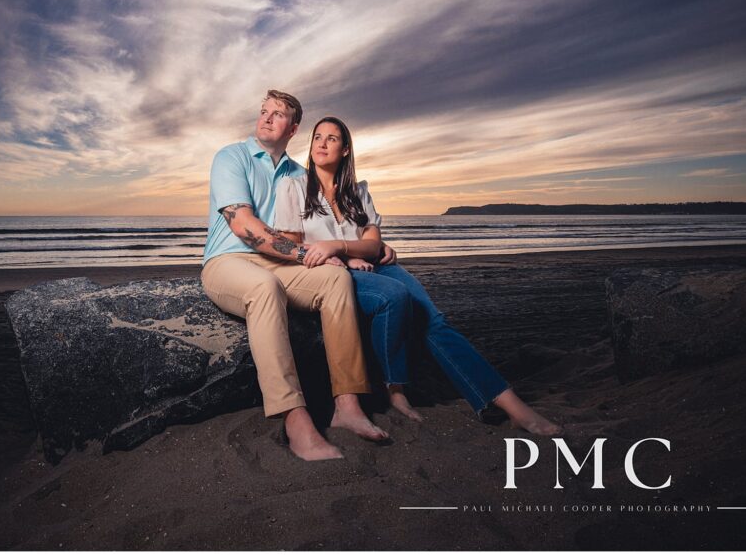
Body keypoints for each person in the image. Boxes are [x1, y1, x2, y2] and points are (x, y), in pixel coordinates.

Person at [271, 116, 563, 435]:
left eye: (332, 138)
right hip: (331, 274)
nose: (322, 143)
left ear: (345, 150)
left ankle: (512, 406)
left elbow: (374, 243)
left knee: (432, 318)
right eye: (317, 137)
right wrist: (343, 256)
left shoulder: (358, 191)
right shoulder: (293, 186)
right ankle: (395, 389)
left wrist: (345, 248)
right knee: (393, 296)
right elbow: (292, 247)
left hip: (367, 264)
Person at [201, 90, 394, 461]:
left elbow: (324, 226)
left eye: (277, 114)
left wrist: (351, 253)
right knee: (264, 287)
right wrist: (308, 253)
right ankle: (295, 417)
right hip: (228, 261)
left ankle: (348, 405)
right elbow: (245, 228)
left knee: (337, 281)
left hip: (280, 262)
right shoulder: (231, 156)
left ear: (293, 128)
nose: (266, 118)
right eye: (263, 111)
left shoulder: (297, 175)